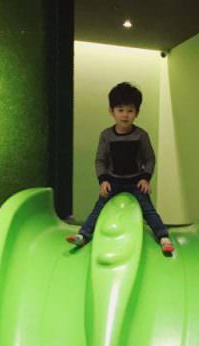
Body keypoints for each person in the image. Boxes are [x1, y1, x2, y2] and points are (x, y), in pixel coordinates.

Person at [67, 82, 174, 254]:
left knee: (148, 209)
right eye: (120, 110)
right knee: (99, 208)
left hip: (135, 181)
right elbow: (100, 160)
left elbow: (149, 159)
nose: (125, 115)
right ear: (112, 111)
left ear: (137, 113)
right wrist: (103, 181)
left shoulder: (141, 135)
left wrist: (145, 178)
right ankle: (83, 235)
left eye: (130, 111)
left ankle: (163, 237)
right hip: (113, 180)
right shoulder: (106, 135)